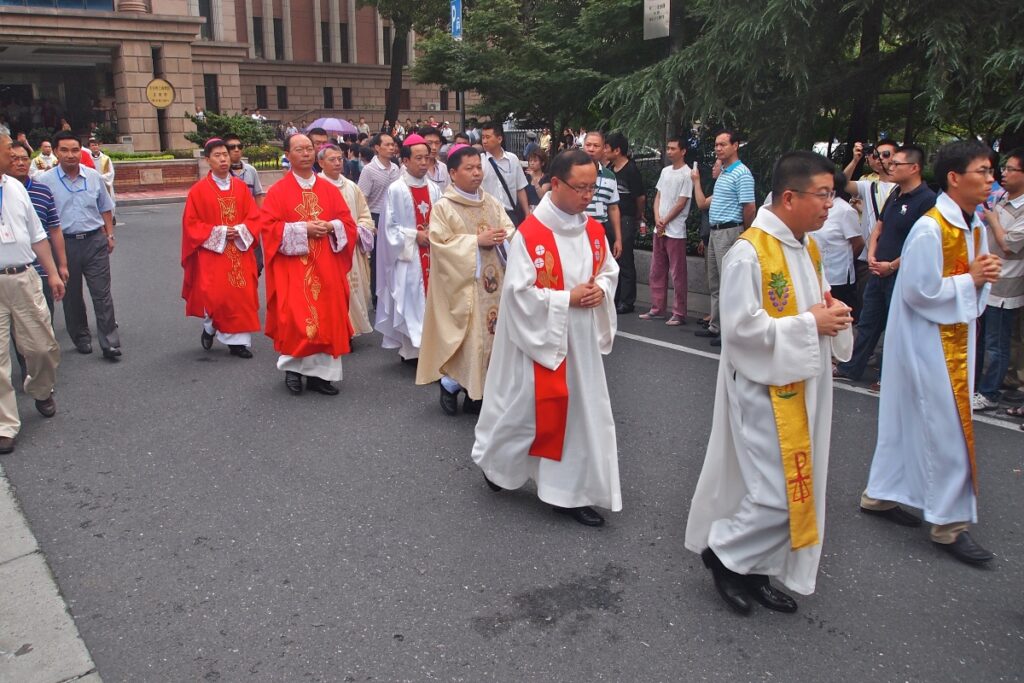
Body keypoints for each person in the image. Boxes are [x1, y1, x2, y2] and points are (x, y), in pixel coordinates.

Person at [685, 151, 854, 615]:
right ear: (788, 197)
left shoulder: (809, 247)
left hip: (804, 382)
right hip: (764, 388)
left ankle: (755, 570)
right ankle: (724, 554)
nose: (829, 205)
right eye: (822, 196)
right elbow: (739, 331)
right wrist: (810, 324)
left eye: (832, 195)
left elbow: (814, 306)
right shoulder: (749, 253)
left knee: (789, 486)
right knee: (781, 493)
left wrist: (831, 316)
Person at [859, 140, 1002, 565]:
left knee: (906, 423)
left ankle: (880, 496)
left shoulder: (972, 224)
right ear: (955, 178)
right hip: (927, 344)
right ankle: (949, 525)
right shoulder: (931, 227)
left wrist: (981, 278)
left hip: (953, 338)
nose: (990, 179)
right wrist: (971, 280)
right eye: (982, 171)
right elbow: (921, 293)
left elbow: (968, 280)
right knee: (949, 432)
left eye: (993, 170)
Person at [471, 150, 621, 528]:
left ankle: (568, 493)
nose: (588, 196)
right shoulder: (532, 234)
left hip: (580, 340)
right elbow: (518, 294)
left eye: (592, 188)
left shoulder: (593, 229)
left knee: (581, 414)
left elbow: (608, 271)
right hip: (539, 338)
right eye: (580, 188)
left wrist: (601, 289)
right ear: (555, 184)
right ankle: (497, 462)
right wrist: (565, 299)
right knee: (528, 414)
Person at [416, 144, 517, 414]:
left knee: (492, 342)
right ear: (453, 173)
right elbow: (440, 245)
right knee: (471, 343)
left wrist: (503, 238)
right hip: (466, 289)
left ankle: (478, 395)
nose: (476, 173)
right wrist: (475, 242)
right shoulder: (444, 208)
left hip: (494, 287)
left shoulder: (491, 202)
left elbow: (510, 230)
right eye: (469, 168)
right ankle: (450, 385)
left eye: (478, 167)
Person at [261, 134, 358, 395]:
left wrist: (329, 226)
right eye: (298, 149)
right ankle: (293, 369)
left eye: (309, 149)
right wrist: (302, 228)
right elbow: (268, 229)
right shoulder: (278, 192)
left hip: (326, 265)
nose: (305, 153)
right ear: (288, 155)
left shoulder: (329, 190)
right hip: (293, 267)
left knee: (328, 316)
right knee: (294, 317)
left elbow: (348, 224)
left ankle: (320, 375)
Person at [835, 145, 937, 383]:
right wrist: (872, 255)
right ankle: (851, 367)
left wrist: (892, 266)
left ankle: (893, 375)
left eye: (896, 163)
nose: (890, 167)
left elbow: (923, 245)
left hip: (902, 274)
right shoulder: (895, 194)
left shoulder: (927, 200)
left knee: (898, 327)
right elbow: (879, 227)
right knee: (868, 321)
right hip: (878, 269)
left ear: (914, 168)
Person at [0, 133, 66, 454]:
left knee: (42, 348)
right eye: (6, 152)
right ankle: (6, 424)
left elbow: (38, 234)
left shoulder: (14, 189)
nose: (15, 157)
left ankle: (40, 389)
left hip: (24, 277)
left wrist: (52, 272)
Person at [37, 131, 120, 359]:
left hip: (94, 240)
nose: (70, 155)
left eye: (75, 150)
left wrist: (109, 235)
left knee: (102, 292)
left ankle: (109, 341)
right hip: (64, 244)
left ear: (80, 151)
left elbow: (105, 207)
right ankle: (81, 336)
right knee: (71, 294)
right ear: (55, 152)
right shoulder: (44, 182)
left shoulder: (93, 177)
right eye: (64, 150)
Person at [181, 138, 261, 358]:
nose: (223, 159)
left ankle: (238, 343)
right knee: (217, 296)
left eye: (225, 154)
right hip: (214, 253)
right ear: (208, 160)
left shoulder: (242, 188)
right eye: (217, 155)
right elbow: (192, 224)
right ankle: (210, 327)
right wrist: (223, 232)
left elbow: (254, 217)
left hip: (240, 250)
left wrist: (242, 229)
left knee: (243, 295)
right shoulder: (198, 191)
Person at [375, 134, 441, 361]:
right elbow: (388, 230)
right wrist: (414, 236)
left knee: (432, 301)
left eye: (427, 158)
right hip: (408, 257)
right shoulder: (396, 190)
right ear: (405, 160)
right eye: (418, 158)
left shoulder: (434, 189)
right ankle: (413, 352)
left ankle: (431, 350)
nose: (424, 163)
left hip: (433, 255)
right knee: (411, 301)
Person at [691, 130, 757, 346]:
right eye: (716, 144)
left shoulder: (742, 173)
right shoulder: (725, 173)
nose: (718, 148)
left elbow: (749, 207)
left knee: (730, 283)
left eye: (723, 144)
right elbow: (703, 204)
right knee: (716, 283)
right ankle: (716, 325)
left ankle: (729, 331)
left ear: (735, 145)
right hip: (715, 232)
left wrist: (746, 235)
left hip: (730, 232)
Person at [975, 149, 1024, 411]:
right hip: (988, 279)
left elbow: (1008, 245)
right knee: (984, 338)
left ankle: (990, 392)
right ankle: (981, 386)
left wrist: (992, 220)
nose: (1004, 174)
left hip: (1006, 284)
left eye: (1011, 170)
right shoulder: (1003, 198)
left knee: (997, 342)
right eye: (1003, 169)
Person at [317, 143, 376, 337]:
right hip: (328, 249)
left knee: (355, 291)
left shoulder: (351, 186)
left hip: (351, 249)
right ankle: (336, 330)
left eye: (340, 159)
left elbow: (365, 216)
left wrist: (358, 231)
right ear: (321, 162)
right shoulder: (316, 187)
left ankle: (352, 330)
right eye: (332, 159)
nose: (337, 163)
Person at [8, 141, 68, 316]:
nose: (20, 163)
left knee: (43, 323)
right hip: (10, 273)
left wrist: (60, 266)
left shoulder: (43, 191)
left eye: (24, 159)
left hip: (40, 270)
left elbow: (54, 229)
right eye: (14, 158)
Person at [842, 140, 898, 319]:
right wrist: (855, 160)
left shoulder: (904, 189)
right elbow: (841, 183)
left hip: (896, 261)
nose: (880, 158)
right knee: (867, 312)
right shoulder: (868, 185)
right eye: (876, 155)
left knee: (893, 313)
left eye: (886, 154)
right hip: (868, 261)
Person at [642, 136, 692, 326]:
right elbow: (658, 197)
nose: (669, 151)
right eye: (668, 148)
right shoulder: (665, 171)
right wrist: (657, 219)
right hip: (660, 227)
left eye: (673, 148)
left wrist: (665, 220)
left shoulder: (688, 174)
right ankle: (657, 307)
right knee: (657, 269)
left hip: (676, 230)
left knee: (677, 273)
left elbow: (682, 203)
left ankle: (679, 312)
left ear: (683, 151)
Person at [808, 171, 864, 312]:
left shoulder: (845, 210)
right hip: (817, 271)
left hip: (838, 276)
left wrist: (848, 260)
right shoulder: (816, 207)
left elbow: (858, 242)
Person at [357, 132, 401, 306]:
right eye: (388, 145)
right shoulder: (369, 170)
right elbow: (362, 198)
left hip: (394, 217)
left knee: (394, 256)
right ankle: (377, 297)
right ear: (377, 148)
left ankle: (393, 291)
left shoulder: (396, 168)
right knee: (377, 259)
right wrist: (368, 223)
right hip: (376, 216)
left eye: (393, 145)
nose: (392, 148)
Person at [605, 132, 645, 314]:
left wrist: (638, 216)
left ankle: (627, 300)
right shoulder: (610, 170)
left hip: (626, 217)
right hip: (611, 217)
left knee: (626, 259)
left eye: (607, 147)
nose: (605, 150)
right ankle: (615, 295)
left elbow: (640, 197)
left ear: (617, 150)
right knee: (613, 257)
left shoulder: (631, 169)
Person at [582, 131, 623, 267]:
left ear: (603, 149)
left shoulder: (610, 176)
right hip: (577, 229)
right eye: (588, 145)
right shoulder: (572, 173)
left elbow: (613, 208)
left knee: (599, 270)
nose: (591, 149)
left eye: (596, 146)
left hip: (600, 231)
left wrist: (618, 239)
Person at [480, 122, 530, 225]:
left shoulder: (512, 159)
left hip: (510, 215)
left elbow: (520, 188)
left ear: (499, 139)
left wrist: (527, 213)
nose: (484, 141)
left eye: (488, 137)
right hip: (488, 216)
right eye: (483, 137)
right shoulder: (479, 161)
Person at [223, 134, 265, 207]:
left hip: (249, 216)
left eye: (239, 146)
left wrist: (261, 216)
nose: (237, 149)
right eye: (232, 147)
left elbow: (258, 196)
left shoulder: (251, 170)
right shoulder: (222, 172)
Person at [419, 126, 450, 191]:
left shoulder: (443, 167)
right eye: (429, 143)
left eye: (437, 143)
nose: (434, 147)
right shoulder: (411, 167)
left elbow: (448, 191)